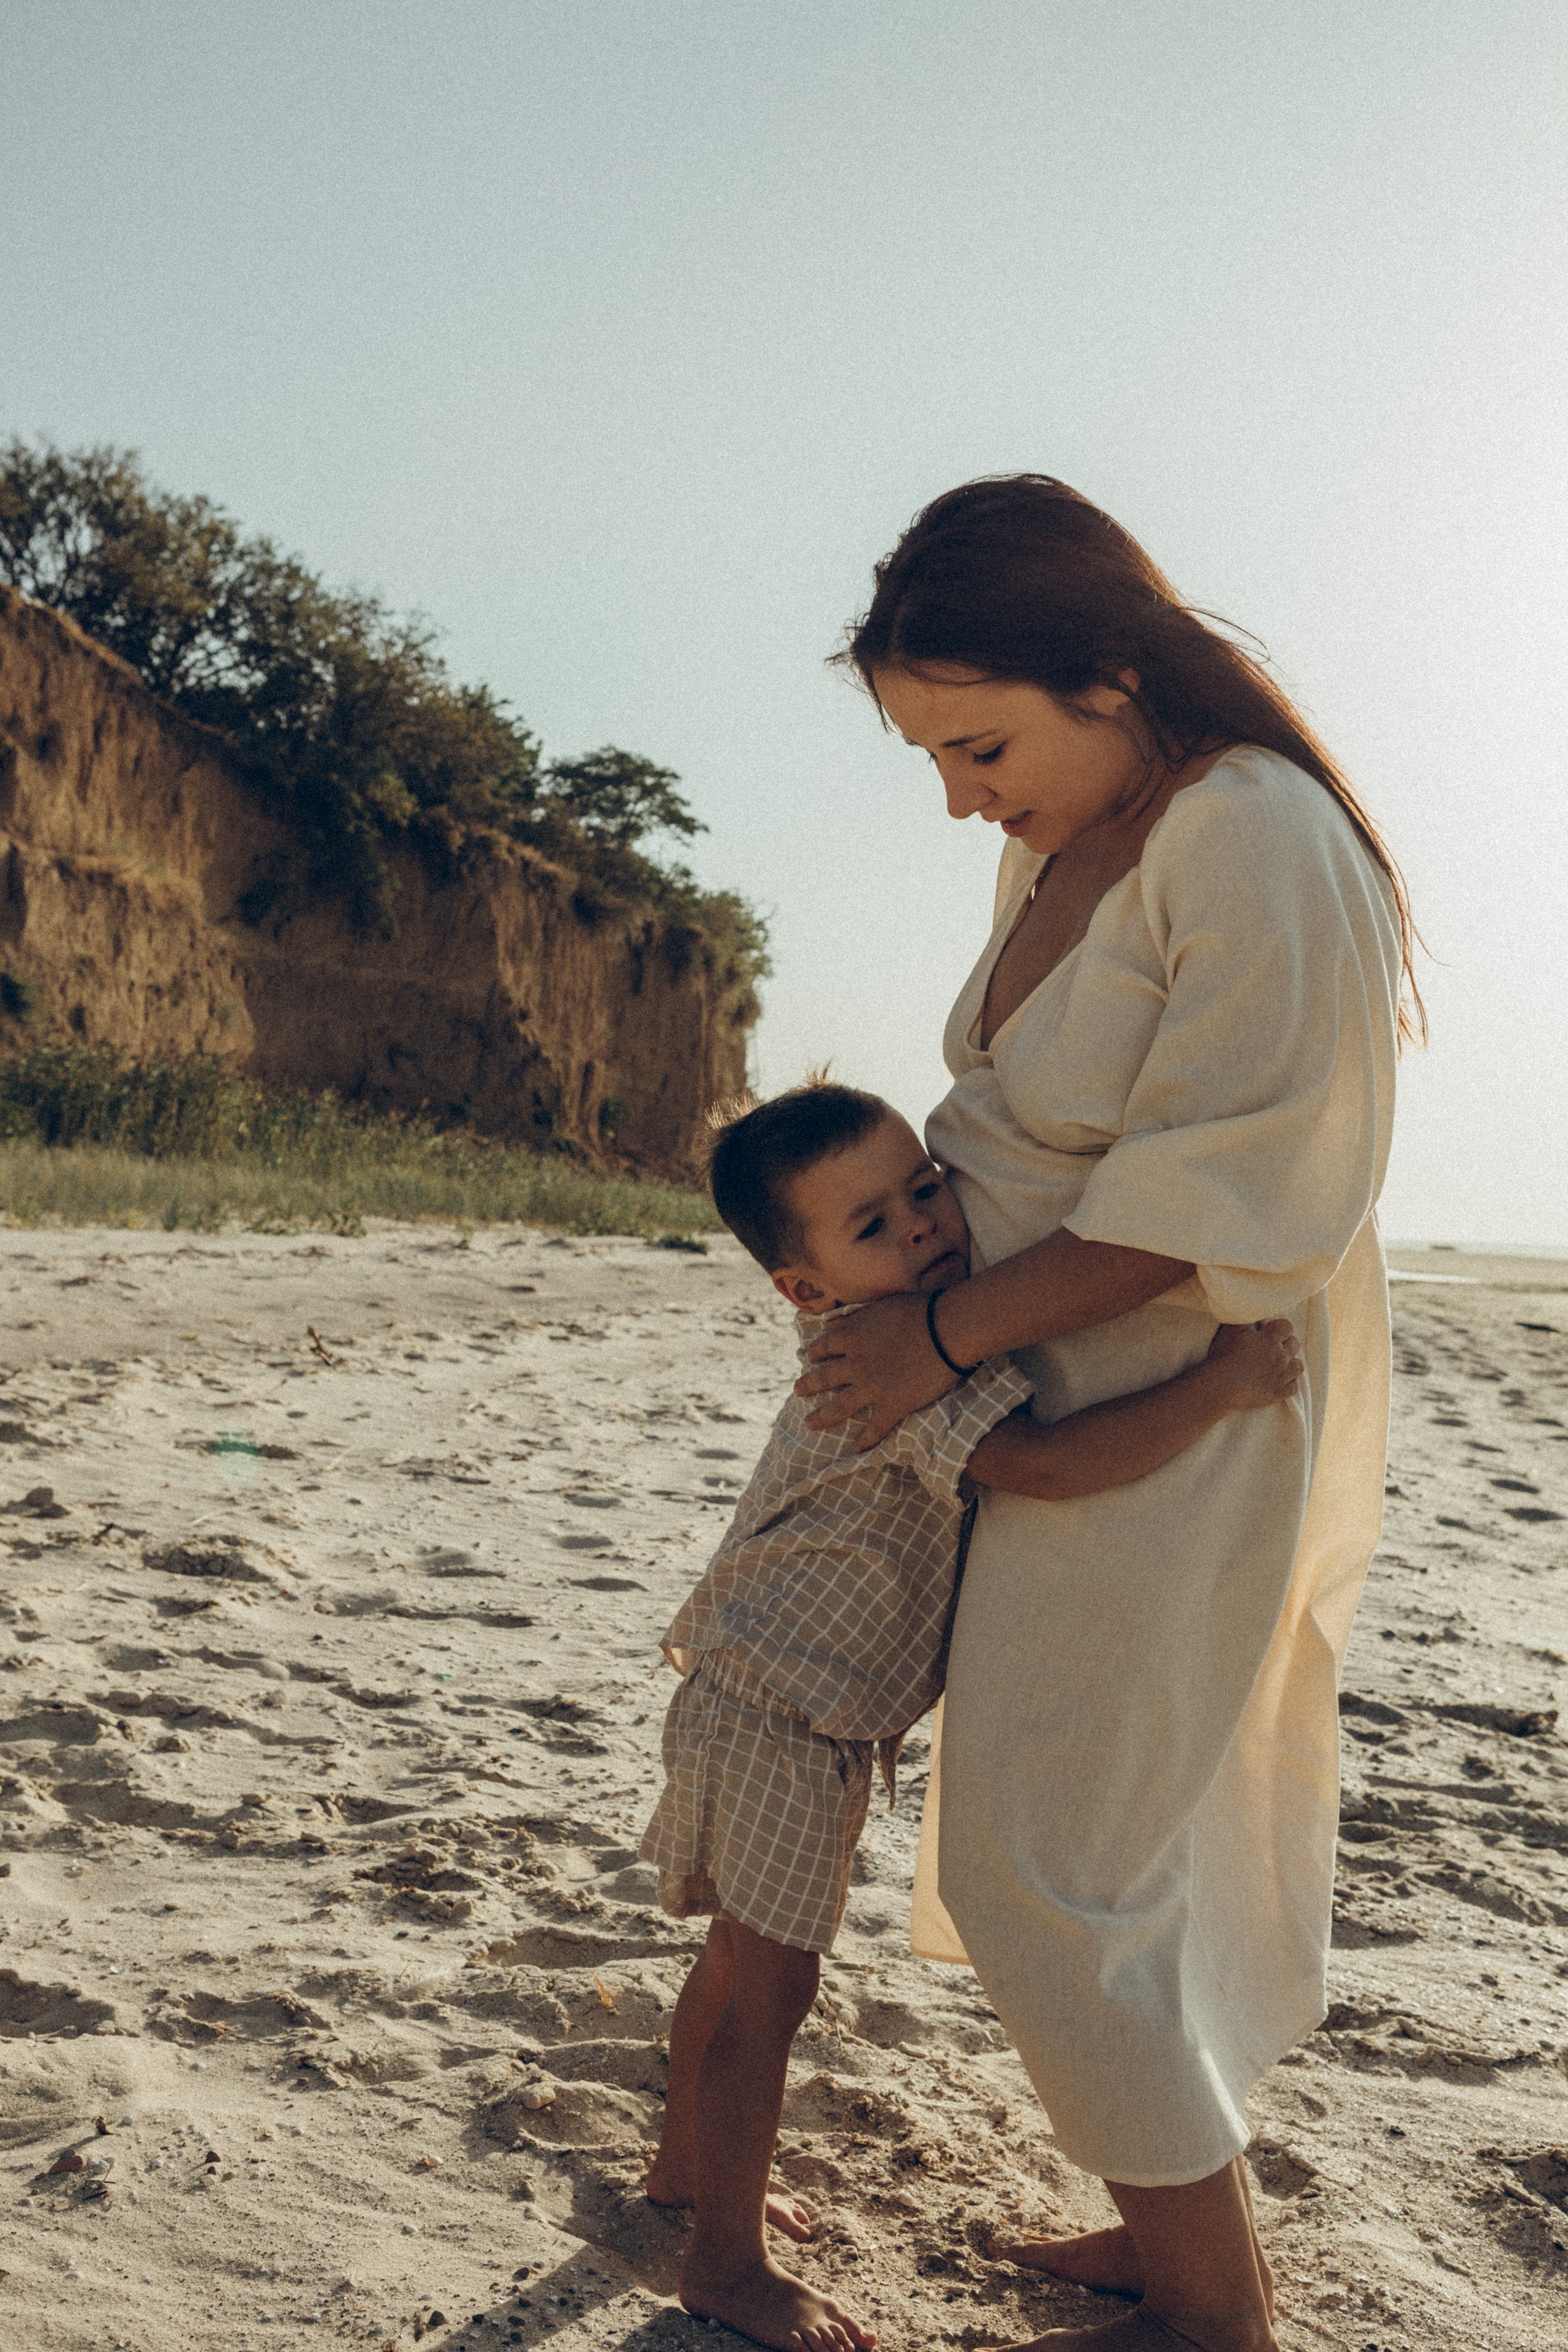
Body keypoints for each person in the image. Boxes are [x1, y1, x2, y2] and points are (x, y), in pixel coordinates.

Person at [796, 477, 1412, 2352]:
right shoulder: (1070, 838)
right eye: (931, 756)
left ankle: (1218, 2308)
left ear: (1115, 673)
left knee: (1044, 1850)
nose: (962, 798)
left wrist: (946, 1333)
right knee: (1083, 1823)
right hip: (1029, 1376)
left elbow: (1226, 1189)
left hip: (1179, 1403)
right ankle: (1161, 2240)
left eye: (979, 745)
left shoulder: (1256, 837)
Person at [640, 1079, 1305, 2352]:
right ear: (806, 1286)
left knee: (732, 1967)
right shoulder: (894, 1367)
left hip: (754, 1695)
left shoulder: (889, 1334)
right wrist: (1221, 1385)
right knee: (764, 1997)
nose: (925, 1232)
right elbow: (1049, 1465)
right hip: (786, 1717)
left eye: (925, 1191)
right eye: (873, 1226)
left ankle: (684, 2172)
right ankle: (721, 2259)